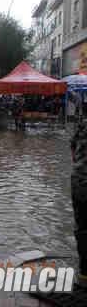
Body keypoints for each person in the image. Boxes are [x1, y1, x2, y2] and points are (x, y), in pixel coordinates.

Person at [71, 121, 87, 288]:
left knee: (82, 228)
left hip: (79, 182)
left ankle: (83, 275)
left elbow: (73, 148)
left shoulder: (82, 124)